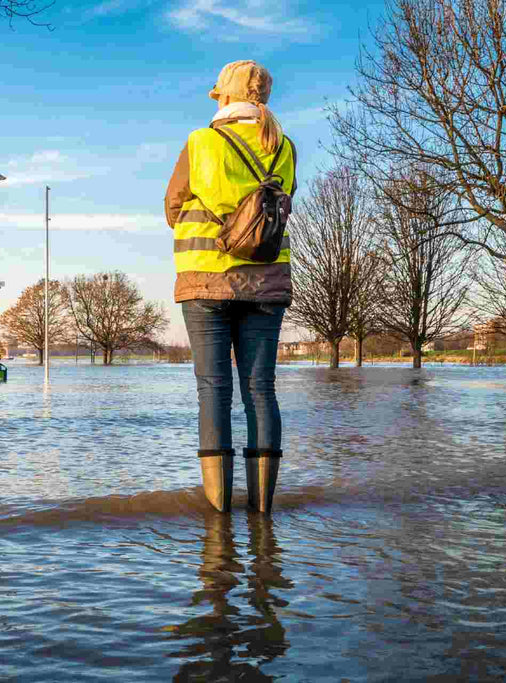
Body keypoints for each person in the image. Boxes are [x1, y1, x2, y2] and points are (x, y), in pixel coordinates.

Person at [164, 60, 297, 514]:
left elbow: (173, 203)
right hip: (268, 281)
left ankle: (219, 513)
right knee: (261, 389)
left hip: (206, 279)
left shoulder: (201, 141)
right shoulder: (284, 146)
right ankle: (263, 508)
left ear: (223, 95)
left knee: (213, 389)